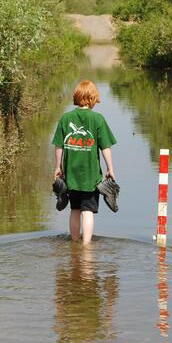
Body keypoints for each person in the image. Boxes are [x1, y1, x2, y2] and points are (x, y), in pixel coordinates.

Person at [52, 80, 117, 244]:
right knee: (87, 212)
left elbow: (59, 146)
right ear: (93, 98)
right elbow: (106, 147)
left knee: (74, 210)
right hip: (90, 176)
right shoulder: (97, 119)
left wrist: (58, 167)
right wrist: (110, 168)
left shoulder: (66, 118)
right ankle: (86, 246)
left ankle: (74, 243)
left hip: (71, 175)